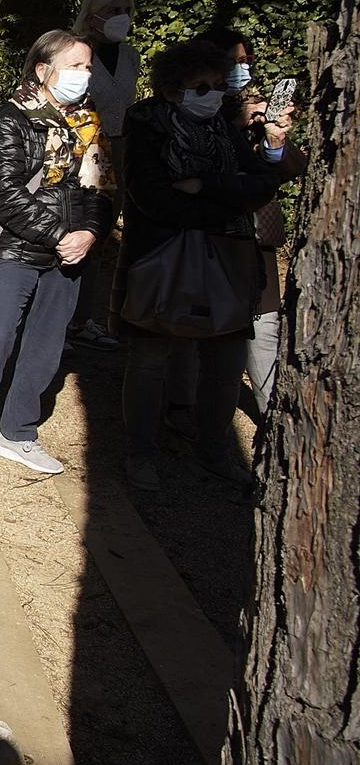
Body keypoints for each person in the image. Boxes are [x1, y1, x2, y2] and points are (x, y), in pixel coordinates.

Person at [0, 30, 115, 476]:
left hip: (71, 255)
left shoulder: (90, 125)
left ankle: (18, 434)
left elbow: (102, 189)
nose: (83, 75)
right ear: (42, 69)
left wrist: (89, 233)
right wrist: (57, 234)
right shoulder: (10, 118)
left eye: (87, 67)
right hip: (18, 248)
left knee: (46, 345)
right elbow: (3, 191)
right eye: (74, 66)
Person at [114, 40, 283, 491]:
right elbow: (153, 199)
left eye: (216, 86)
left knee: (225, 365)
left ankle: (214, 451)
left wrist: (205, 183)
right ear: (172, 90)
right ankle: (141, 453)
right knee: (150, 360)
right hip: (161, 259)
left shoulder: (224, 129)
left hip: (229, 260)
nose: (211, 94)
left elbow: (263, 183)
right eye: (199, 87)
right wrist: (225, 202)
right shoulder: (147, 126)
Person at [222, 35, 305, 423]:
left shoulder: (256, 117)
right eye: (235, 61)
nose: (244, 68)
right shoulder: (194, 114)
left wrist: (273, 139)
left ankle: (274, 421)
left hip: (257, 253)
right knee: (214, 348)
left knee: (264, 331)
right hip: (214, 248)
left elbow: (290, 168)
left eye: (247, 59)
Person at [67, 0, 137, 352]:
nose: (120, 17)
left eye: (125, 8)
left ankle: (80, 319)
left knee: (100, 232)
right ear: (92, 13)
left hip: (119, 148)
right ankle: (55, 318)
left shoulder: (130, 56)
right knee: (70, 227)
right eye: (112, 10)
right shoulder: (75, 52)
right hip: (81, 148)